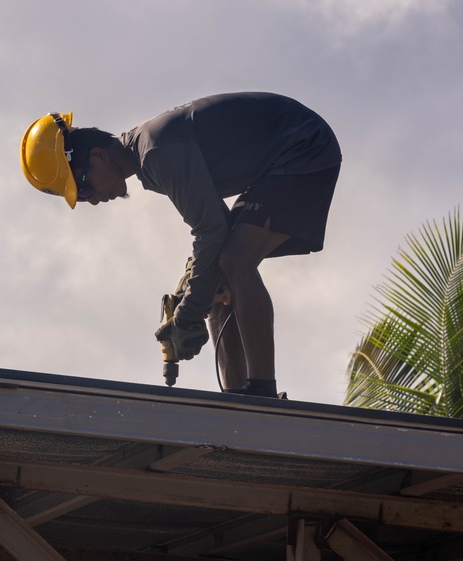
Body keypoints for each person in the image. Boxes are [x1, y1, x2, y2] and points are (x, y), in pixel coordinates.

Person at [19, 92, 341, 398]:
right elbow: (213, 231)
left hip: (305, 147)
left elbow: (211, 232)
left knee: (235, 261)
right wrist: (193, 292)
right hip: (283, 158)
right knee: (219, 271)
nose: (91, 201)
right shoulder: (150, 155)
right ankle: (238, 396)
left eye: (84, 189)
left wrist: (188, 313)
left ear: (98, 156)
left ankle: (261, 390)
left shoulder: (157, 153)